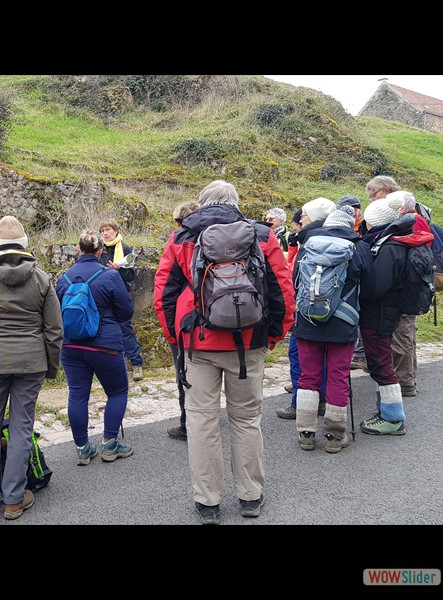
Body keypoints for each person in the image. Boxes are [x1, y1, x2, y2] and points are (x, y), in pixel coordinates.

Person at [153, 180, 294, 525]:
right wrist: (272, 335)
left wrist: (176, 339)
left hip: (198, 343)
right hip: (249, 343)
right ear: (236, 203)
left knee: (201, 421)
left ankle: (208, 501)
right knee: (246, 419)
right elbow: (282, 290)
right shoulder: (261, 236)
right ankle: (249, 496)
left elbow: (164, 292)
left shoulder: (182, 237)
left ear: (201, 204)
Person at [0, 216, 62, 522]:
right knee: (20, 429)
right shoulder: (41, 278)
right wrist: (51, 367)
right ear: (25, 244)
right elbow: (54, 330)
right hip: (31, 363)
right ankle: (14, 501)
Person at [292, 206, 371, 453]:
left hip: (307, 320)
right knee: (337, 375)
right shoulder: (360, 248)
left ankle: (306, 433)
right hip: (343, 322)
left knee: (308, 376)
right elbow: (371, 288)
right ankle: (334, 437)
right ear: (350, 226)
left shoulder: (309, 244)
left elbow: (296, 280)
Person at [56, 230, 135, 465]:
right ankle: (110, 445)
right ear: (100, 252)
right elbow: (126, 311)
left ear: (78, 249)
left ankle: (82, 449)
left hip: (71, 346)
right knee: (117, 392)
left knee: (78, 396)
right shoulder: (110, 276)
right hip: (105, 345)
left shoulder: (64, 278)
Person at [358, 197, 433, 436]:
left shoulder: (390, 247)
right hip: (391, 310)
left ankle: (392, 418)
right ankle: (386, 413)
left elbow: (376, 287)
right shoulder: (401, 241)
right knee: (382, 362)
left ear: (373, 222)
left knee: (380, 365)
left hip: (380, 312)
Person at [276, 198, 335, 419]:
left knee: (299, 355)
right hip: (334, 308)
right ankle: (322, 399)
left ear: (316, 217)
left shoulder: (310, 240)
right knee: (326, 355)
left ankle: (299, 404)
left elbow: (297, 277)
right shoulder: (338, 237)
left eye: (304, 215)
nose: (300, 218)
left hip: (307, 307)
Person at [387, 190, 433, 398]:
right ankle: (408, 376)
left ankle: (405, 381)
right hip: (413, 291)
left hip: (405, 292)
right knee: (406, 335)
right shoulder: (418, 224)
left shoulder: (413, 225)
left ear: (402, 209)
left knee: (402, 336)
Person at [162, 201, 199, 441]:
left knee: (186, 377)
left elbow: (164, 291)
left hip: (187, 324)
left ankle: (189, 424)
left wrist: (171, 333)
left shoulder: (178, 240)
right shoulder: (235, 235)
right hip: (235, 321)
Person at [98, 219, 144, 382]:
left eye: (108, 229)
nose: (105, 233)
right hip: (103, 295)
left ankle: (136, 364)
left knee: (125, 328)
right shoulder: (98, 249)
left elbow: (130, 275)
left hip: (121, 294)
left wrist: (118, 270)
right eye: (103, 230)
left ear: (116, 231)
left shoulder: (125, 248)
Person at [338, 196, 369, 371]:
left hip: (360, 275)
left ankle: (360, 354)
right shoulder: (352, 224)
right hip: (348, 276)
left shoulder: (365, 223)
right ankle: (357, 353)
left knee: (360, 314)